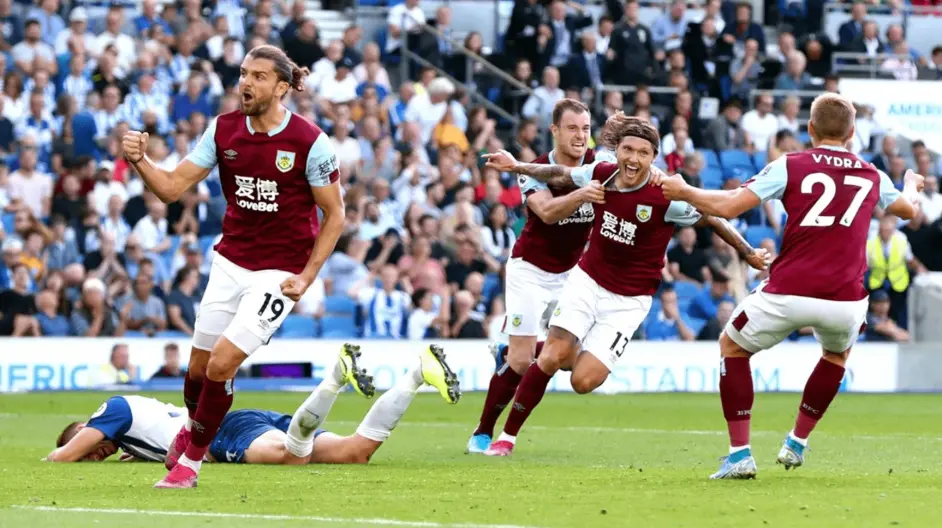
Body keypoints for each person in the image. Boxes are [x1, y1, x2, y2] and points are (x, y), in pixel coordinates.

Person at [655, 93, 924, 479]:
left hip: (789, 290)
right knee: (836, 357)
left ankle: (739, 454)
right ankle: (796, 442)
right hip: (845, 299)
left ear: (810, 129)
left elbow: (729, 205)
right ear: (851, 133)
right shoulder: (872, 174)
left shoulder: (789, 165)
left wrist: (685, 192)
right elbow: (909, 210)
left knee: (732, 347)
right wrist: (911, 183)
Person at [121, 45, 345, 489]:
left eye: (259, 76)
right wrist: (140, 161)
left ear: (281, 88)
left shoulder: (310, 142)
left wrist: (307, 276)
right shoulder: (223, 130)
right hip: (230, 262)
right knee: (197, 371)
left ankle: (190, 465)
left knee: (222, 364)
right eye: (244, 73)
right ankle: (191, 426)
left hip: (279, 272)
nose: (246, 83)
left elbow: (335, 214)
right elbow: (171, 189)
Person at [480, 114, 768, 456]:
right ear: (616, 150)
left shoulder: (666, 195)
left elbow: (712, 217)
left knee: (582, 381)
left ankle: (526, 351)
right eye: (627, 150)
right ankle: (506, 438)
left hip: (629, 301)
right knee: (554, 355)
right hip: (587, 281)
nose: (633, 158)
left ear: (653, 157)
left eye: (643, 153)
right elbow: (559, 173)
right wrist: (517, 167)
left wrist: (749, 253)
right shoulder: (602, 173)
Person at [465, 99, 607, 455]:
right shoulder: (535, 168)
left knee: (571, 359)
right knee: (520, 362)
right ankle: (482, 432)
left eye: (586, 129)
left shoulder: (597, 166)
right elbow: (546, 212)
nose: (580, 136)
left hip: (571, 274)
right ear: (554, 130)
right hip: (529, 270)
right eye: (572, 128)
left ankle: (511, 348)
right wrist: (582, 194)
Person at [46, 345, 459, 466]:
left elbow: (61, 457)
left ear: (85, 428)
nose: (91, 454)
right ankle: (417, 375)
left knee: (292, 459)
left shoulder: (113, 410)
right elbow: (155, 439)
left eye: (85, 445)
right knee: (356, 452)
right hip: (241, 423)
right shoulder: (132, 438)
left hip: (224, 432)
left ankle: (335, 376)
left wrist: (61, 453)